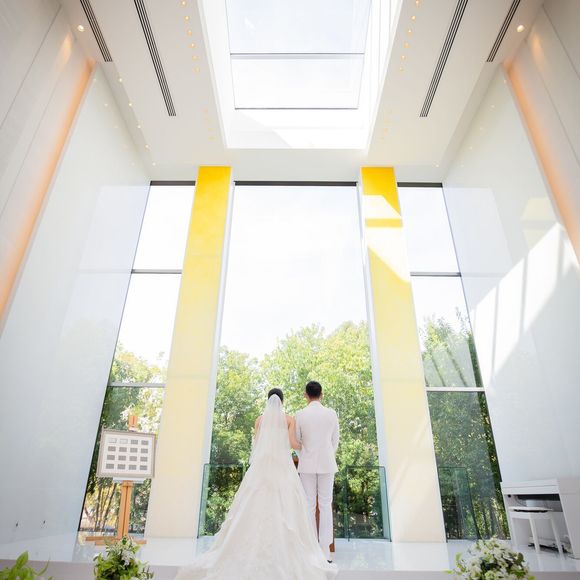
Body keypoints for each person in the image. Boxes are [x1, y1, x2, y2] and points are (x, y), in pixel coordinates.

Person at [175, 388, 336, 580]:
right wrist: (308, 448)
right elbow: (293, 444)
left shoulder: (259, 420)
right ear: (282, 401)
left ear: (268, 401)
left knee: (253, 502)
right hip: (282, 467)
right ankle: (312, 549)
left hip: (261, 467)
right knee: (289, 504)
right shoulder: (289, 419)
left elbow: (257, 444)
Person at [295, 381, 340, 562]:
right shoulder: (331, 413)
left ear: (305, 395)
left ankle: (311, 550)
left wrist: (304, 455)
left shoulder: (300, 414)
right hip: (327, 463)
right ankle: (325, 552)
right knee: (325, 505)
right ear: (322, 394)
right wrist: (328, 454)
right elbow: (335, 440)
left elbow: (297, 440)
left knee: (309, 505)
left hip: (306, 464)